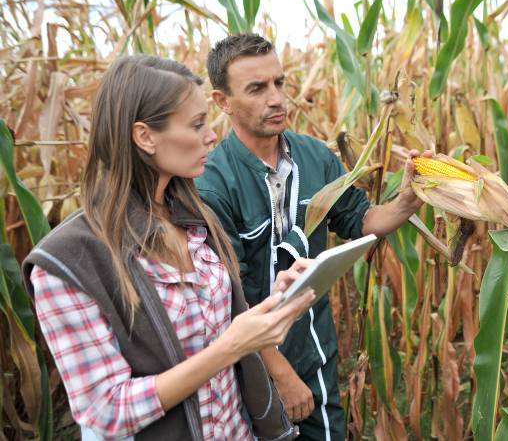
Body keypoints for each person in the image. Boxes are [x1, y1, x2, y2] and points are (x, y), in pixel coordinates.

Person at [21, 55, 316, 441]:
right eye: (196, 124)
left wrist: (277, 302)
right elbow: (106, 412)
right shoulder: (68, 262)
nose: (212, 135)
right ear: (145, 136)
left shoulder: (195, 217)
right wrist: (230, 347)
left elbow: (220, 322)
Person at [196, 33, 430, 441]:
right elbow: (227, 298)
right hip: (248, 360)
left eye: (279, 83)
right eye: (256, 88)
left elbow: (360, 219)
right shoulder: (213, 183)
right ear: (222, 102)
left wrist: (408, 199)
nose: (276, 98)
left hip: (313, 345)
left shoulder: (315, 158)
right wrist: (281, 375)